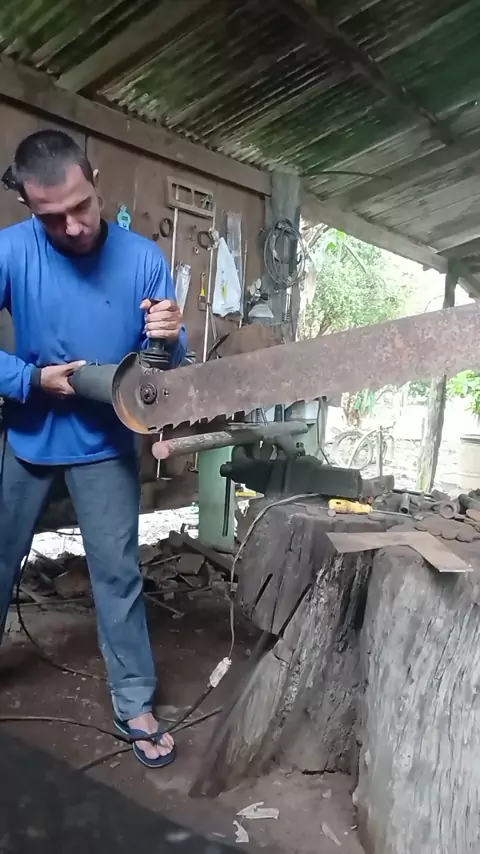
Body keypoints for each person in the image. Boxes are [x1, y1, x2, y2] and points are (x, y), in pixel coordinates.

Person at [0, 130, 187, 769]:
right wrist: (28, 380)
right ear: (27, 204)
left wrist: (170, 338)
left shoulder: (143, 260)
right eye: (52, 216)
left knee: (117, 573)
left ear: (95, 180)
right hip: (29, 433)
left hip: (105, 442)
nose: (74, 226)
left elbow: (160, 374)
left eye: (81, 205)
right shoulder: (11, 251)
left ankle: (134, 700)